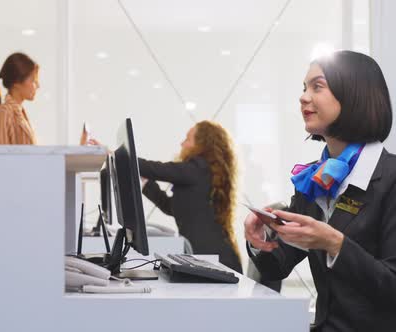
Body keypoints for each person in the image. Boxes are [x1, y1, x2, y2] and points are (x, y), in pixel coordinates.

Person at [245, 50, 396, 331]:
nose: (303, 97)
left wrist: (335, 244)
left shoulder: (390, 178)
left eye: (318, 86)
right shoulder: (314, 178)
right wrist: (261, 241)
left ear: (354, 95)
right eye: (304, 88)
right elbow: (278, 266)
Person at [136, 121, 242, 273]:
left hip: (218, 262)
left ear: (201, 144)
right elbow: (170, 207)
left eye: (187, 138)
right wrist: (144, 181)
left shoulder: (199, 168)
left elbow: (158, 169)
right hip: (207, 258)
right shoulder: (200, 172)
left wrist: (118, 156)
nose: (182, 143)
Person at [0, 52, 40, 145]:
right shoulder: (3, 113)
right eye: (33, 80)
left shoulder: (19, 112)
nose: (38, 85)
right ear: (17, 83)